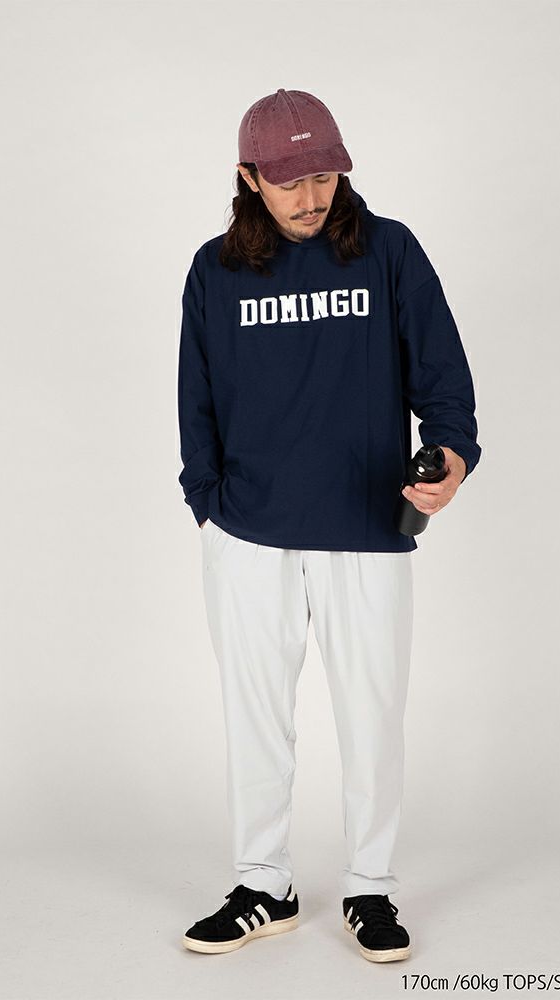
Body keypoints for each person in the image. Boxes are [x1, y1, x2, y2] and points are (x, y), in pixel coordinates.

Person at [177, 88, 481, 962]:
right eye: (289, 182)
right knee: (254, 715)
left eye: (324, 176)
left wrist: (450, 456)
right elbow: (196, 396)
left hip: (367, 527)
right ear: (249, 178)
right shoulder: (215, 271)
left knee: (372, 715)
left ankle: (370, 887)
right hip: (248, 532)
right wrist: (209, 505)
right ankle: (262, 884)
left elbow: (442, 376)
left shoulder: (389, 250)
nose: (311, 198)